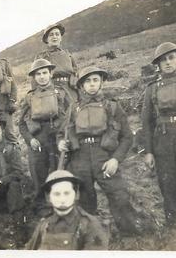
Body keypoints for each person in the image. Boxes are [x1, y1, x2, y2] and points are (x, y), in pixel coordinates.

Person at [58, 66, 142, 236]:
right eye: (87, 81)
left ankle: (130, 236)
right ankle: (91, 235)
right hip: (79, 157)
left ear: (101, 82)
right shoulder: (74, 108)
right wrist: (60, 142)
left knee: (119, 196)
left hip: (104, 156)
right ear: (81, 86)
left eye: (95, 80)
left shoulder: (112, 107)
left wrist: (115, 160)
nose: (92, 84)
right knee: (84, 199)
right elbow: (63, 132)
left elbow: (127, 137)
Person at [142, 42, 176, 228]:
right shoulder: (152, 89)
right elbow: (146, 123)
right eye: (163, 60)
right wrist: (148, 151)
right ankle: (174, 224)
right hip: (163, 140)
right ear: (157, 64)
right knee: (168, 181)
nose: (167, 62)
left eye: (171, 57)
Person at [19, 59, 74, 212]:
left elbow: (73, 115)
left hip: (58, 136)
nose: (42, 77)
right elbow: (21, 124)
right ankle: (42, 205)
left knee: (60, 169)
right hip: (39, 138)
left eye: (44, 73)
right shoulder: (29, 97)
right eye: (38, 74)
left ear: (51, 74)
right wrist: (30, 140)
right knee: (38, 171)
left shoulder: (61, 93)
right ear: (34, 77)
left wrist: (65, 137)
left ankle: (63, 203)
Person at [25, 170, 108, 250]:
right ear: (48, 197)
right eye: (56, 194)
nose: (62, 199)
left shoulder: (89, 224)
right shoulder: (44, 224)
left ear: (76, 194)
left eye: (67, 193)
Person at [34, 23, 78, 101]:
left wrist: (74, 79)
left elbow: (75, 70)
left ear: (61, 38)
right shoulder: (41, 57)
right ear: (46, 39)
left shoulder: (67, 54)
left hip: (70, 90)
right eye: (51, 35)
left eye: (57, 34)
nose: (54, 37)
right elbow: (35, 78)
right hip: (51, 91)